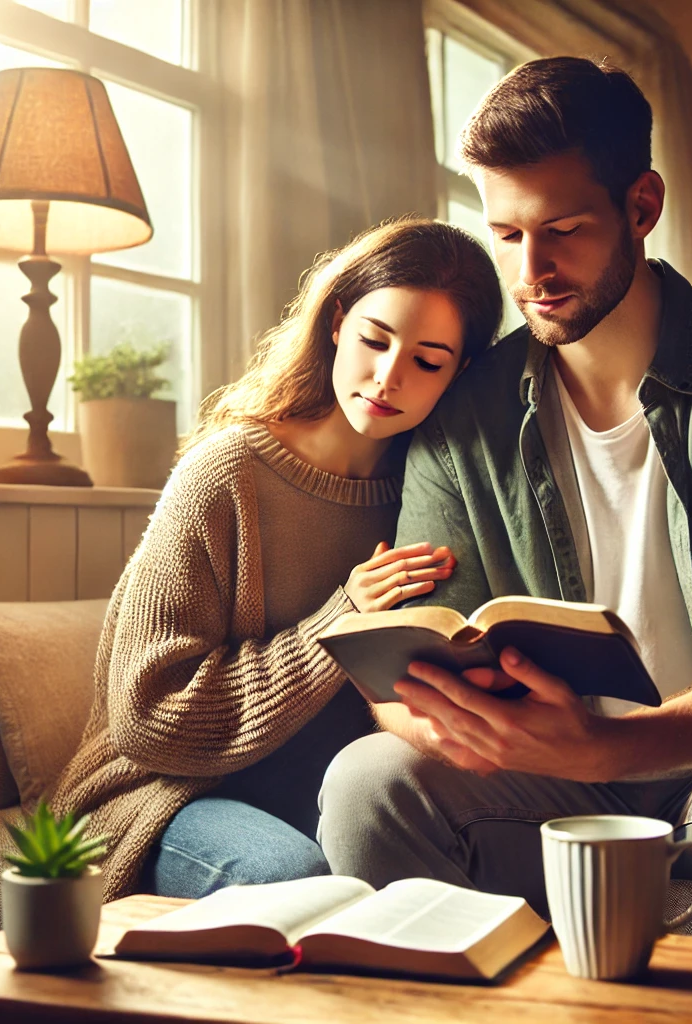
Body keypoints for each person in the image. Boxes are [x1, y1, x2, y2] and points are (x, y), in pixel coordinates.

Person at [317, 60, 692, 1022]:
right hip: (545, 769)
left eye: (563, 231)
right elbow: (415, 656)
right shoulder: (462, 414)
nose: (531, 273)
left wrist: (616, 745)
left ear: (642, 205)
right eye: (509, 234)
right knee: (368, 778)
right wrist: (451, 718)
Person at [49, 217, 503, 902]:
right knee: (298, 880)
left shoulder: (429, 492)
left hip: (321, 789)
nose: (388, 377)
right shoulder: (225, 473)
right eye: (374, 340)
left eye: (427, 360)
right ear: (337, 322)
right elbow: (147, 717)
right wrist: (335, 626)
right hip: (162, 796)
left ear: (460, 370)